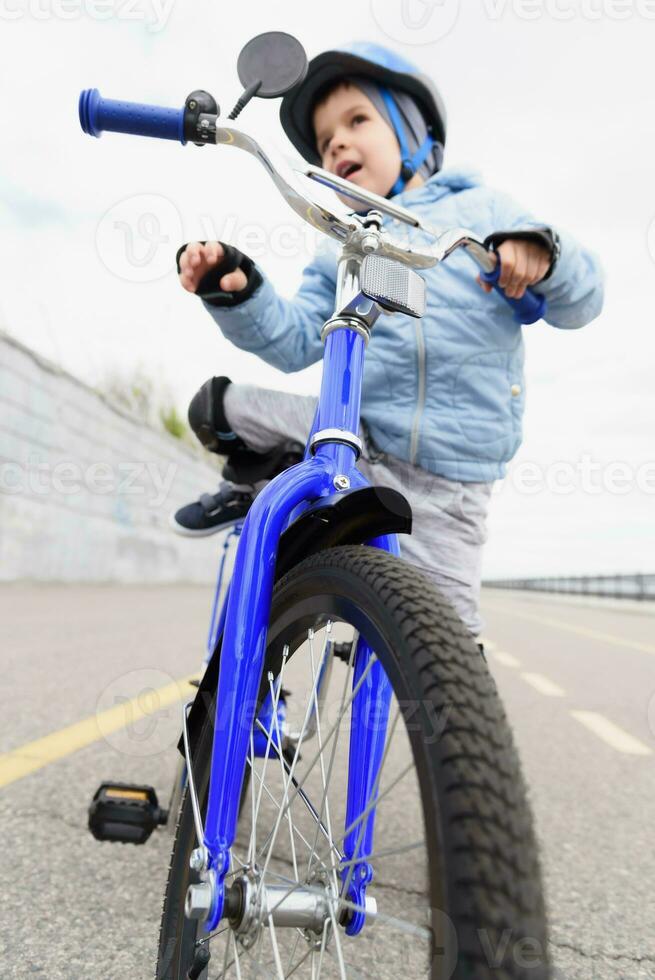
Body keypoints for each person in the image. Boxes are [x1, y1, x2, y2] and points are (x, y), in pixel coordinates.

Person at [170, 43, 604, 643]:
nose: (338, 145)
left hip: (451, 484)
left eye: (357, 121)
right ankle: (258, 485)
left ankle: (275, 490)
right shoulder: (340, 240)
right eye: (325, 142)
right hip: (356, 443)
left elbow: (583, 302)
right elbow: (296, 341)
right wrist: (239, 293)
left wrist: (542, 254)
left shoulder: (479, 210)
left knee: (447, 651)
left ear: (411, 131)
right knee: (219, 408)